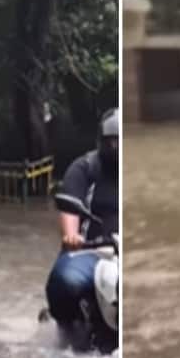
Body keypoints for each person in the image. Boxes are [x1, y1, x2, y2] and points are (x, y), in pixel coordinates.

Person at [44, 108, 119, 332]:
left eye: (121, 140)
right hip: (93, 251)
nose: (117, 147)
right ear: (101, 141)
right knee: (65, 282)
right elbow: (71, 208)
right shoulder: (85, 168)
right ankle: (69, 330)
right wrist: (71, 235)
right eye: (112, 141)